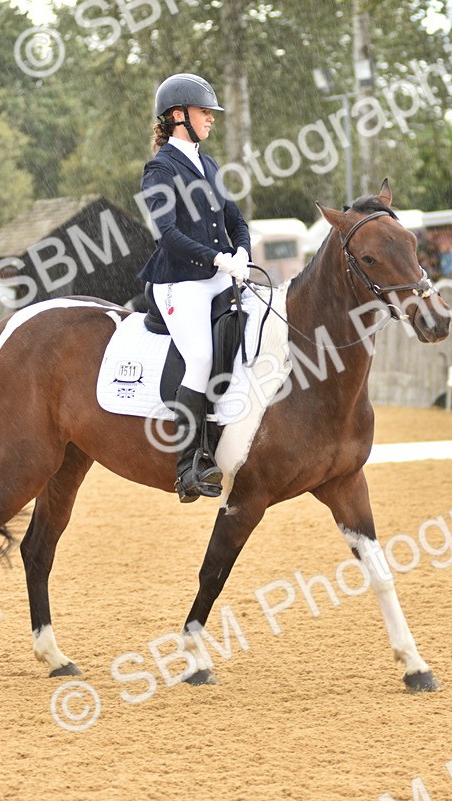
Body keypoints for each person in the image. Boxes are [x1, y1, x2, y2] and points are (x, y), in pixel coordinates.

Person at [137, 73, 252, 501]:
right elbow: (165, 234)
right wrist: (216, 258)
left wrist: (241, 252)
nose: (211, 119)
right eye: (206, 112)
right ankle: (187, 466)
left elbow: (235, 219)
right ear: (178, 116)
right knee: (200, 357)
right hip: (178, 281)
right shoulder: (160, 168)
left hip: (220, 272)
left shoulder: (209, 164)